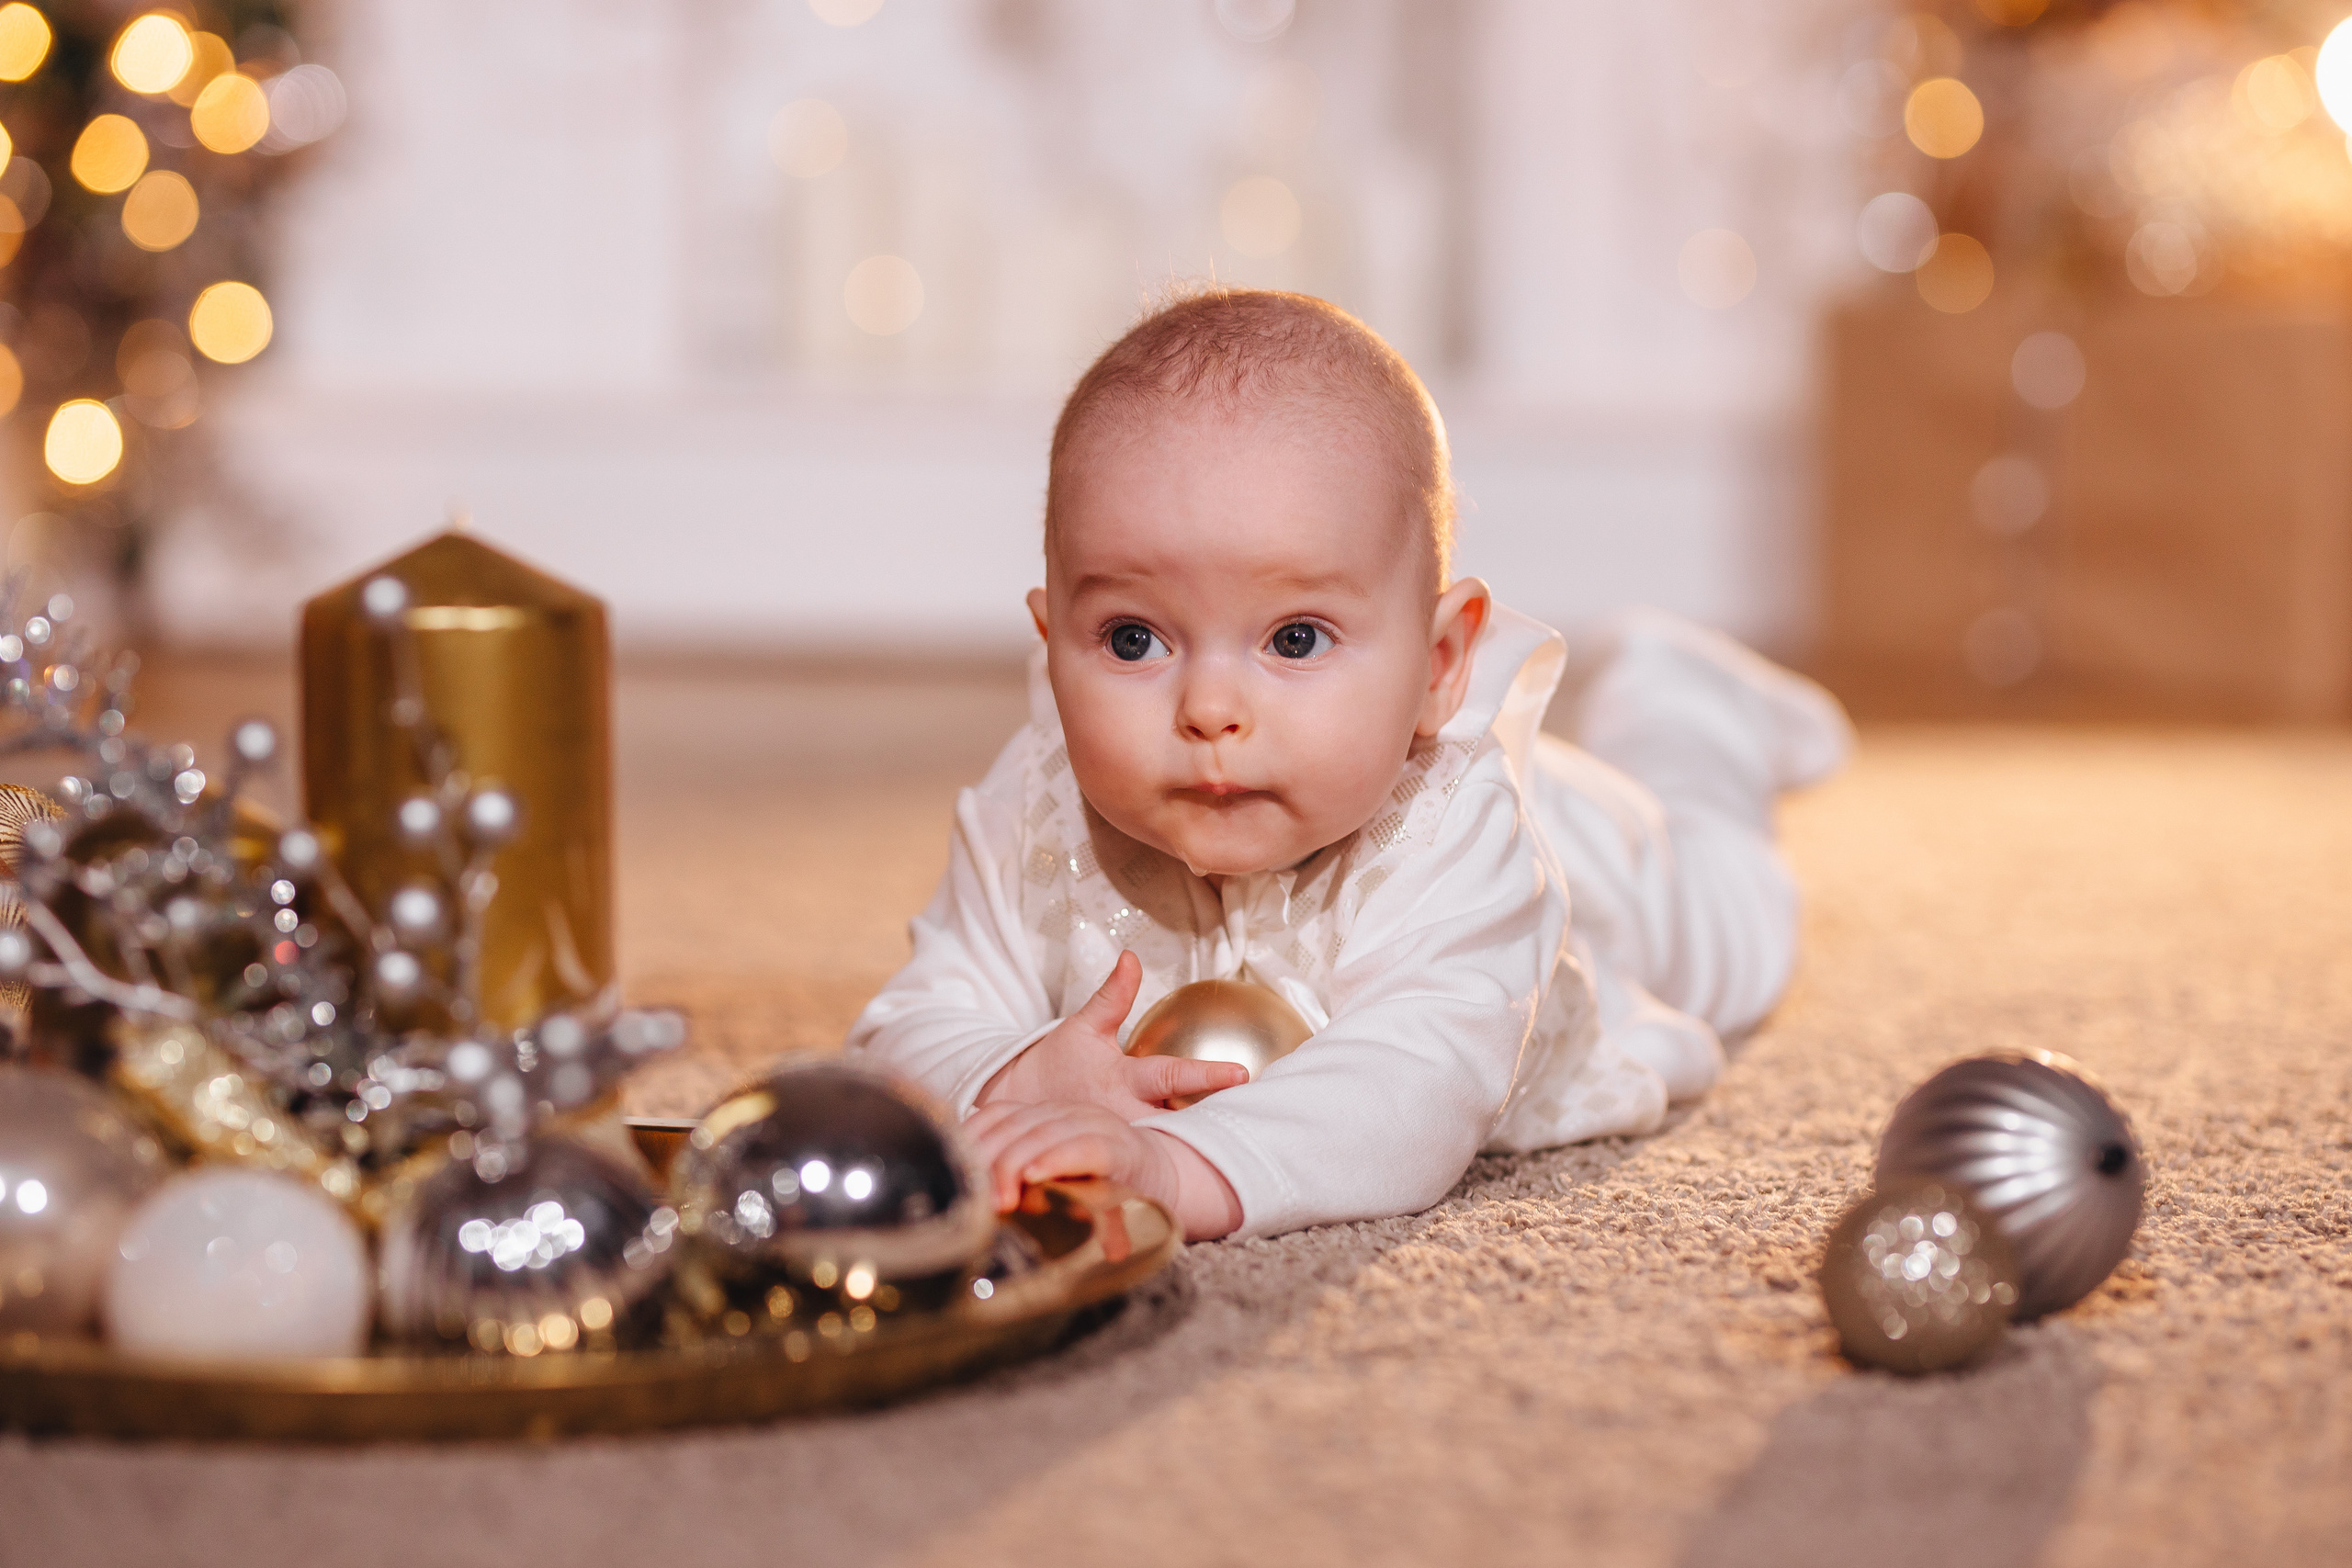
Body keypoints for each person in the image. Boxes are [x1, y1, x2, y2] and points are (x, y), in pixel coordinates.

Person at [845, 288, 1849, 1242]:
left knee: (1735, 915)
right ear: (1049, 641)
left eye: (1292, 641)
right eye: (1132, 639)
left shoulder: (1460, 841)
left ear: (1440, 663)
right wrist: (1009, 1076)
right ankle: (1664, 697)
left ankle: (1692, 709)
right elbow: (911, 1022)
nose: (1207, 711)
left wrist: (1181, 1168)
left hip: (1604, 875)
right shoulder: (1033, 814)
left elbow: (1410, 1091)